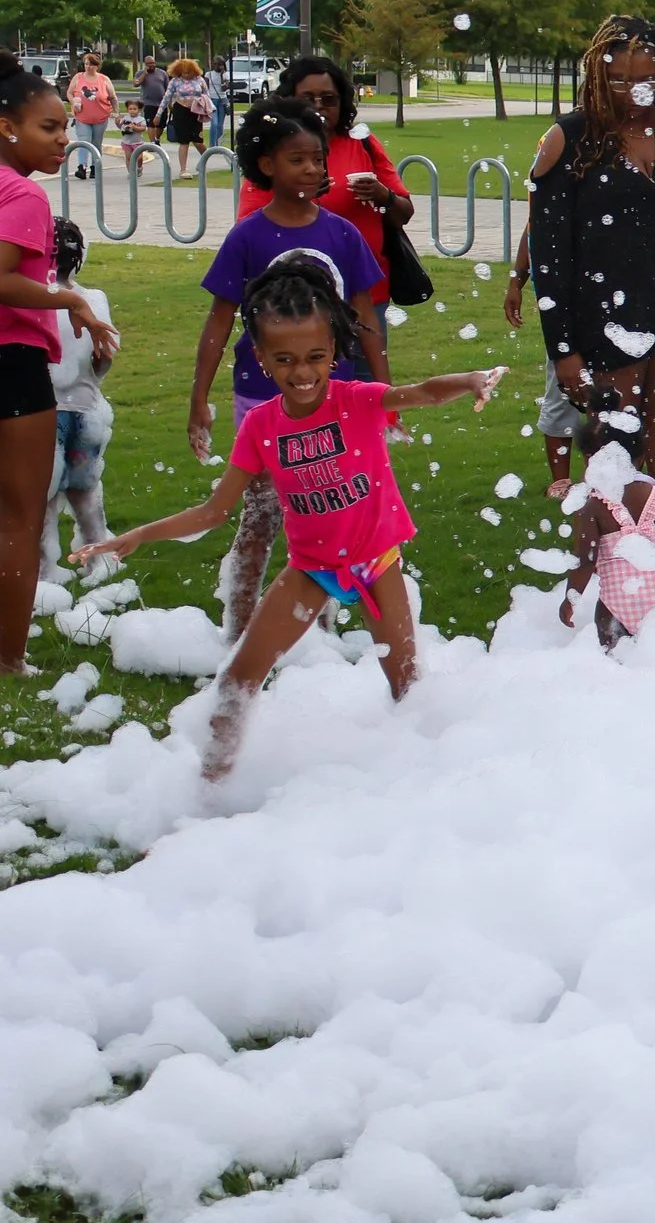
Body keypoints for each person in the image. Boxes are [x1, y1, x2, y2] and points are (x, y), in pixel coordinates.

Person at [76, 257, 503, 778]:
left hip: (376, 563)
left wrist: (471, 379)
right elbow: (215, 511)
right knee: (238, 678)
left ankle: (426, 782)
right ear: (261, 357)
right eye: (284, 360)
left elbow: (422, 393)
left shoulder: (357, 400)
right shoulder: (260, 426)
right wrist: (140, 534)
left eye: (315, 357)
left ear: (334, 351)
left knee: (408, 684)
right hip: (311, 570)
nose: (302, 372)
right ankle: (208, 794)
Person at [193, 98, 390, 639]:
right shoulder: (249, 236)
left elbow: (365, 313)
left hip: (337, 400)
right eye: (297, 159)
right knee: (259, 517)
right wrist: (198, 398)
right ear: (265, 166)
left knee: (330, 519)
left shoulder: (343, 235)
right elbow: (218, 321)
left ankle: (318, 635)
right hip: (262, 399)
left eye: (318, 159)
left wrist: (382, 386)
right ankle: (238, 633)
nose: (312, 170)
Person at [529, 15, 655, 513]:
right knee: (613, 461)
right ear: (597, 75)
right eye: (619, 78)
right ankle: (609, 582)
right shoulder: (568, 139)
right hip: (604, 323)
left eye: (646, 78)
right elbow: (549, 256)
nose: (633, 90)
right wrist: (563, 351)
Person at [0, 57, 120, 673]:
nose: (64, 139)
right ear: (6, 127)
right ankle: (10, 658)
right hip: (12, 365)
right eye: (49, 128)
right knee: (20, 518)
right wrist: (71, 297)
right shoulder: (21, 193)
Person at [239, 55, 411, 320]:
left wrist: (383, 196)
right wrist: (300, 199)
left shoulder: (361, 142)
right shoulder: (273, 149)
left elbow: (404, 212)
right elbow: (249, 229)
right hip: (296, 301)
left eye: (329, 99)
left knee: (367, 357)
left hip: (365, 293)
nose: (319, 107)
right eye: (307, 99)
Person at [559, 391, 655, 648]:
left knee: (616, 665)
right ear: (640, 458)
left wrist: (570, 599)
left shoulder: (594, 508)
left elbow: (585, 560)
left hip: (615, 607)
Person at [42, 220, 114, 584]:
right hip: (88, 412)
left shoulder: (33, 301)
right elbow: (104, 360)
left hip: (45, 412)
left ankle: (44, 573)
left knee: (43, 499)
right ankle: (99, 560)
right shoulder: (95, 299)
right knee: (85, 493)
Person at [503, 219, 583, 497]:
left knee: (618, 391)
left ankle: (604, 480)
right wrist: (516, 282)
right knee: (562, 386)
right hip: (565, 301)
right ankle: (560, 482)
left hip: (612, 296)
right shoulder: (554, 179)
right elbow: (533, 226)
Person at [160, 59, 213, 176]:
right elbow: (166, 97)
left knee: (198, 141)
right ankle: (183, 169)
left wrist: (206, 107)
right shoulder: (175, 81)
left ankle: (204, 160)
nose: (187, 75)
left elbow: (207, 95)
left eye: (189, 72)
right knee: (184, 142)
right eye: (184, 72)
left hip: (196, 111)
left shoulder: (200, 80)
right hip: (181, 111)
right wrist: (159, 114)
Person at [66, 56, 114, 180]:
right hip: (82, 116)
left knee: (96, 142)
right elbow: (69, 93)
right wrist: (73, 102)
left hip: (100, 117)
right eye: (86, 64)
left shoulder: (104, 79)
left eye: (91, 64)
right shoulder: (78, 77)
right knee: (84, 141)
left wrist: (116, 112)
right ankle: (82, 166)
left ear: (97, 66)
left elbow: (112, 97)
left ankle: (95, 166)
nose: (88, 67)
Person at [134, 57, 167, 137]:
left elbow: (167, 88)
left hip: (161, 103)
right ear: (145, 64)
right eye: (149, 64)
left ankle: (156, 140)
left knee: (161, 124)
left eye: (153, 63)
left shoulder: (162, 73)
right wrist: (144, 73)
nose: (151, 65)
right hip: (148, 103)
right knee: (150, 124)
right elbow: (136, 84)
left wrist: (169, 103)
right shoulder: (140, 73)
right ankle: (152, 143)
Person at [205, 59, 230, 150]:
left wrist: (221, 77)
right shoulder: (209, 74)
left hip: (223, 100)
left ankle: (219, 144)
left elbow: (224, 89)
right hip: (212, 100)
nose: (220, 67)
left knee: (220, 125)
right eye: (218, 65)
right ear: (214, 65)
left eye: (222, 65)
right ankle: (212, 146)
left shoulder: (225, 75)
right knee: (214, 124)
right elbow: (205, 88)